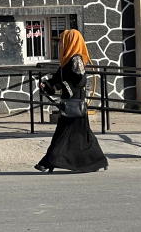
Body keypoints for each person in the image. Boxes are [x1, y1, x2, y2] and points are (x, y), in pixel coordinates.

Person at [36, 30, 109, 174]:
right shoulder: (67, 60)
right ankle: (98, 160)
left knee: (63, 134)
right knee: (83, 135)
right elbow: (58, 78)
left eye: (64, 40)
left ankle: (47, 162)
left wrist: (62, 86)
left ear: (71, 41)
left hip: (74, 103)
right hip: (69, 103)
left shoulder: (76, 59)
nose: (61, 43)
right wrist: (47, 84)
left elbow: (80, 81)